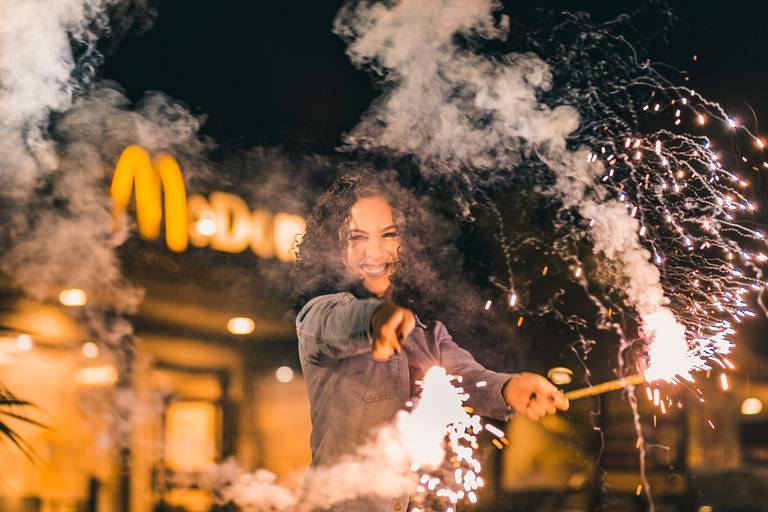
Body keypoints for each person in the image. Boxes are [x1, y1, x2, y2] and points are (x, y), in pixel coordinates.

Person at [293, 170, 568, 511]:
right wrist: (373, 321)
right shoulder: (319, 313)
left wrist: (508, 388)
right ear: (335, 249)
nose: (375, 251)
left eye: (389, 235)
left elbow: (468, 378)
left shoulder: (425, 333)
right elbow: (336, 324)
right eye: (357, 238)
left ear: (405, 243)